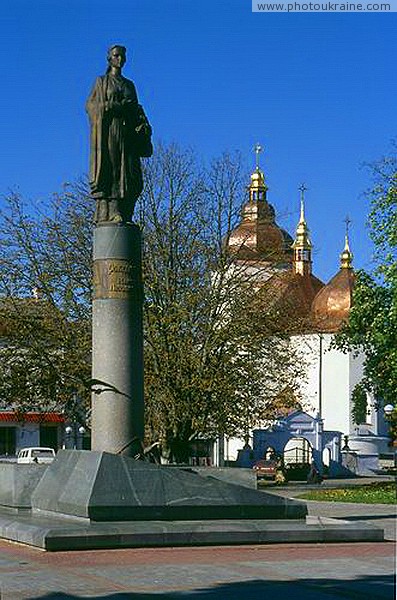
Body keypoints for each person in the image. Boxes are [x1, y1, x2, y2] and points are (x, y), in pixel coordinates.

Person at [86, 45, 152, 223]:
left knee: (132, 175)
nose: (120, 59)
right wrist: (112, 106)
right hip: (110, 132)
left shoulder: (129, 84)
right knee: (114, 169)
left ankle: (126, 210)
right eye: (116, 56)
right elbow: (91, 106)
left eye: (122, 56)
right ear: (109, 58)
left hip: (128, 133)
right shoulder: (102, 82)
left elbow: (136, 109)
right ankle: (114, 209)